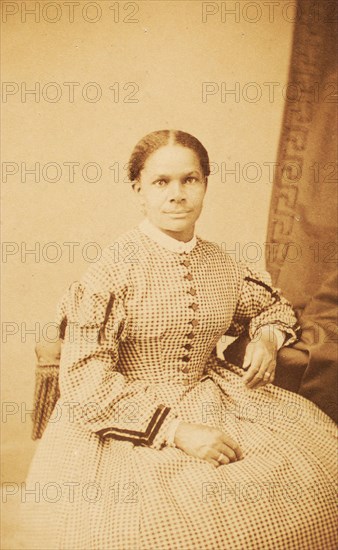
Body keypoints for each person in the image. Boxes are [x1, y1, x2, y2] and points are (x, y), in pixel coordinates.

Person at [21, 130, 337, 550]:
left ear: (205, 184)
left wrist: (266, 338)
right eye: (161, 182)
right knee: (163, 528)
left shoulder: (220, 263)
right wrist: (178, 431)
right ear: (139, 190)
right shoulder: (111, 273)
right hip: (124, 423)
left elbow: (271, 307)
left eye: (190, 180)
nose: (177, 195)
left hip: (215, 397)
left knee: (317, 476)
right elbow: (84, 381)